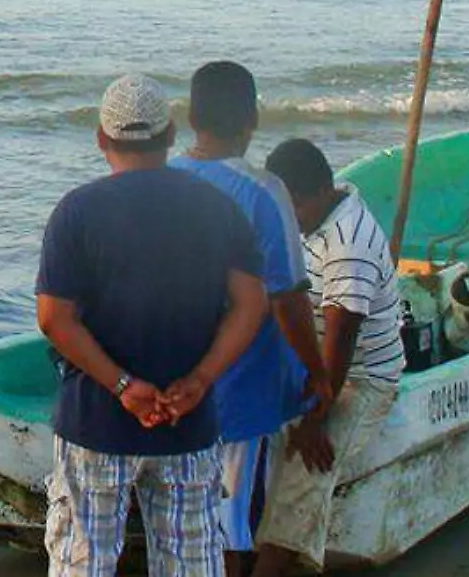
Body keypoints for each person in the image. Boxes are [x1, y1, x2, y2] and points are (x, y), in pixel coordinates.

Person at [37, 73, 268, 577]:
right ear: (171, 136)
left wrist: (124, 387)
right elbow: (251, 305)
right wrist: (201, 378)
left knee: (85, 559)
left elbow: (55, 320)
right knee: (188, 561)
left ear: (101, 138)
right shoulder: (218, 208)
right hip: (189, 418)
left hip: (97, 421)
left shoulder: (77, 212)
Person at [169, 61, 326, 568]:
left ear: (191, 116)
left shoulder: (162, 181)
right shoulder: (262, 191)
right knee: (234, 526)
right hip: (243, 388)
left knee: (184, 519)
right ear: (252, 118)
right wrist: (317, 373)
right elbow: (288, 300)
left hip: (171, 382)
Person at [253, 139, 404, 577]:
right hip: (310, 359)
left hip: (359, 376)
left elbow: (341, 343)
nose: (289, 220)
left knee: (305, 468)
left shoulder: (348, 246)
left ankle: (275, 561)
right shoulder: (313, 215)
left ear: (319, 193)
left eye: (294, 209)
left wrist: (317, 419)